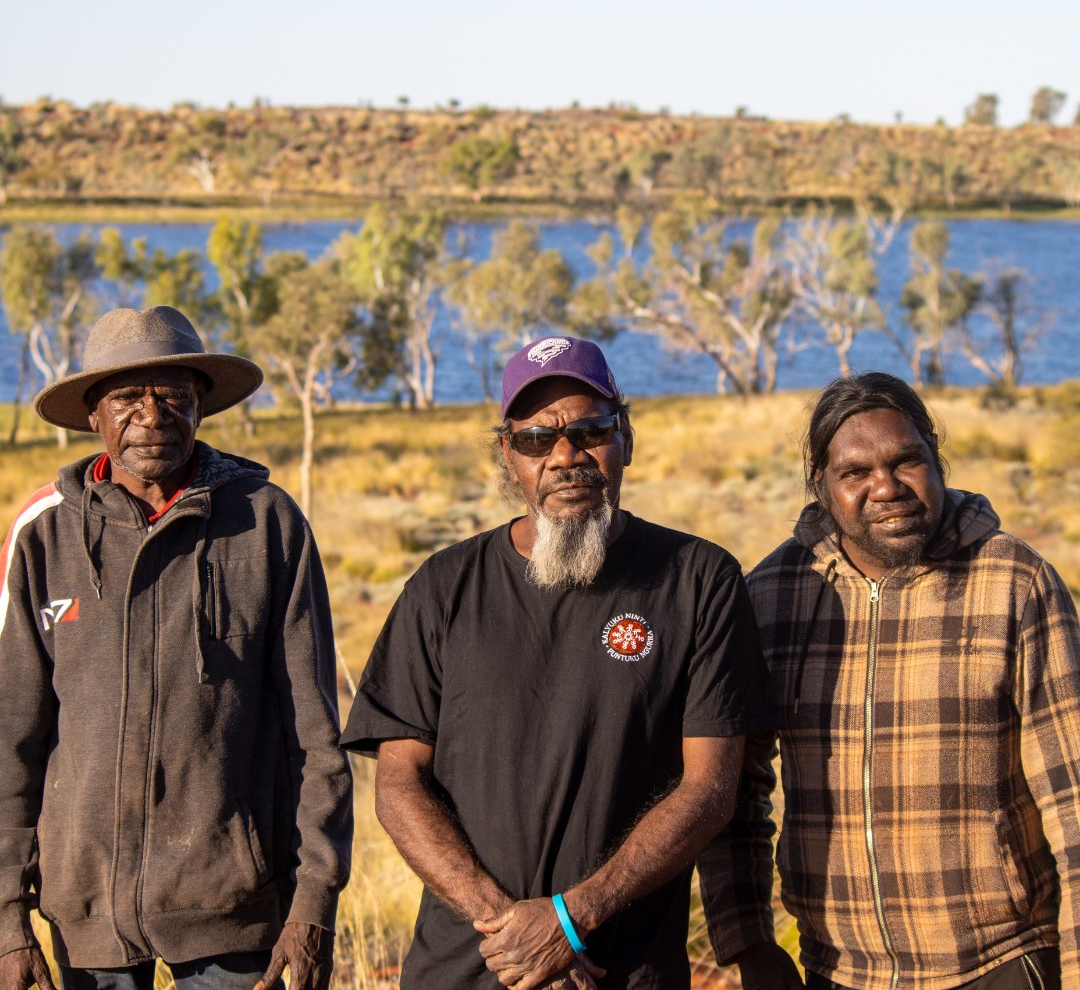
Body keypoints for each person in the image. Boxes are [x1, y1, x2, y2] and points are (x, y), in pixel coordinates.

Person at [341, 335, 771, 989]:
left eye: (589, 431)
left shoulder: (698, 579)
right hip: (468, 967)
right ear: (506, 455)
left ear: (625, 437)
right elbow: (398, 788)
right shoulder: (443, 587)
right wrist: (512, 927)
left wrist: (573, 919)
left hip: (623, 972)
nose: (565, 457)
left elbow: (710, 791)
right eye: (536, 439)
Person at [0, 307, 353, 990]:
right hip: (85, 911)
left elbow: (315, 735)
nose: (152, 415)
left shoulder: (266, 522)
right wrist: (7, 916)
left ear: (201, 408)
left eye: (173, 396)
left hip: (236, 906)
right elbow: (11, 739)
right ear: (94, 416)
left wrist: (314, 903)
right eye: (128, 398)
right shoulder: (44, 536)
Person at [698, 371, 1080, 990]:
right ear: (821, 484)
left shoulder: (1014, 581)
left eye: (907, 461)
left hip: (1002, 963)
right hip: (837, 973)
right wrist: (748, 943)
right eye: (855, 474)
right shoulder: (772, 595)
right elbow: (735, 790)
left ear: (936, 458)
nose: (887, 488)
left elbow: (1073, 797)